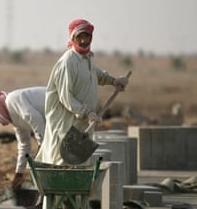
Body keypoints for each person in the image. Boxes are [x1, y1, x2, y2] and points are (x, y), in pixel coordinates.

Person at [35, 19, 129, 165]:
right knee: (61, 162)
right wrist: (87, 112)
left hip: (82, 124)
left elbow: (96, 74)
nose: (84, 40)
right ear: (73, 38)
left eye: (87, 37)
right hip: (66, 124)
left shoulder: (87, 59)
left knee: (78, 163)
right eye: (80, 37)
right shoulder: (68, 62)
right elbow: (66, 98)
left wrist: (114, 81)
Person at [0, 87, 46, 191]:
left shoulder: (13, 100)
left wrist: (42, 145)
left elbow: (35, 118)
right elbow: (24, 145)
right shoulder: (15, 120)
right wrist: (19, 173)